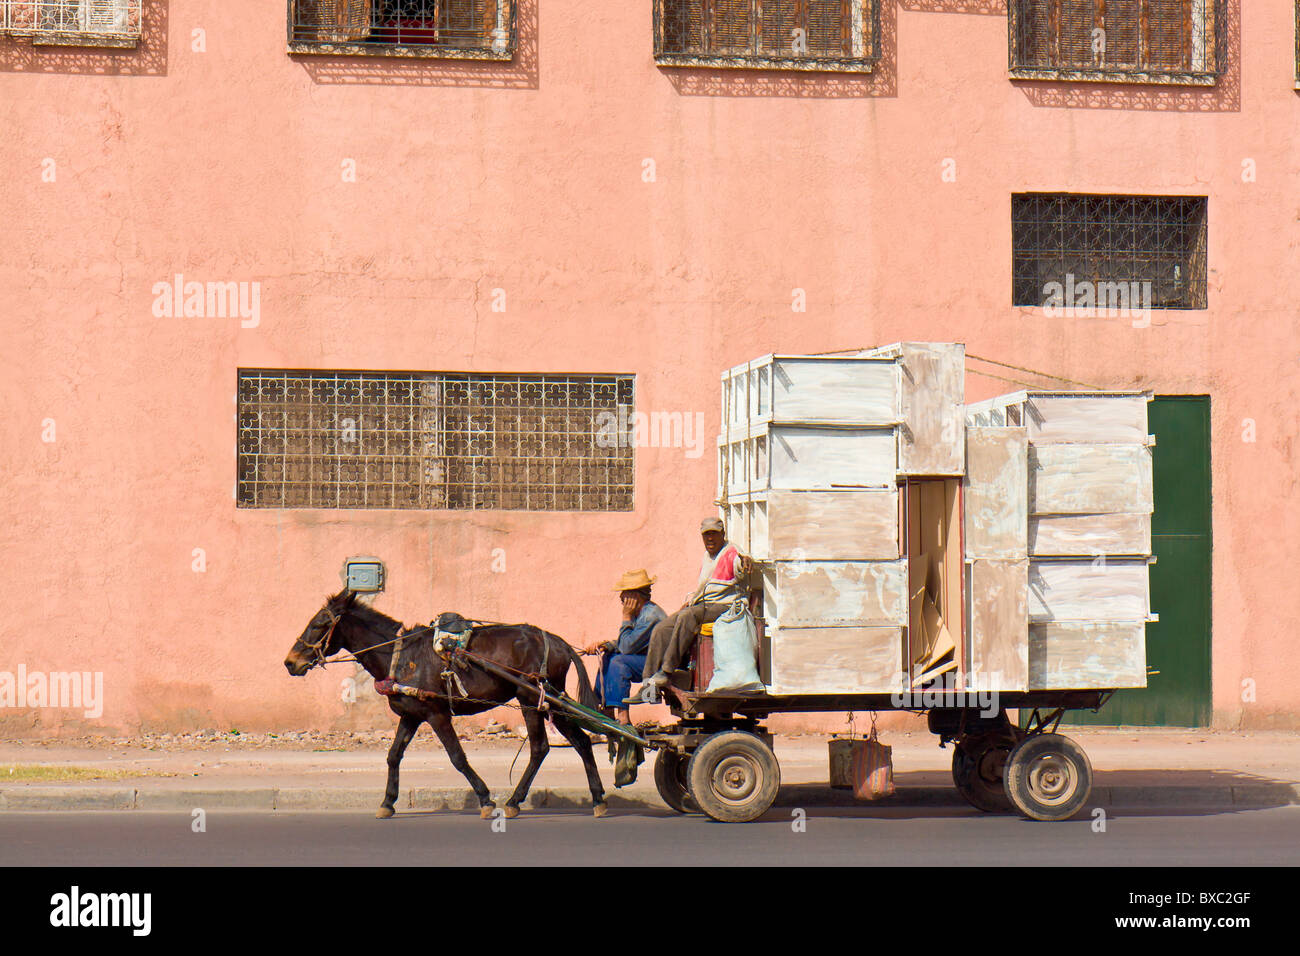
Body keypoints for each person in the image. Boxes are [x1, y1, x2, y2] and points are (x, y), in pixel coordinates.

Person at [631, 517, 752, 700]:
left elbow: (741, 564)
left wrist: (745, 562)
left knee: (688, 616)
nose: (710, 539)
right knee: (662, 629)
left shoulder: (731, 552)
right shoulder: (707, 555)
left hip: (725, 606)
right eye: (706, 535)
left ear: (723, 534)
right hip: (703, 604)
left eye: (713, 534)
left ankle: (666, 671)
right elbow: (706, 586)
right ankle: (648, 688)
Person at [585, 569, 665, 725]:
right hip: (647, 659)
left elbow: (627, 648)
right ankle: (604, 708)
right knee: (608, 657)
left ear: (635, 596)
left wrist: (626, 617)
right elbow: (629, 643)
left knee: (619, 662)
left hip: (658, 666)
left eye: (624, 594)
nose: (621, 598)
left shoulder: (650, 616)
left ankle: (623, 717)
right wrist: (606, 645)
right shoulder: (642, 613)